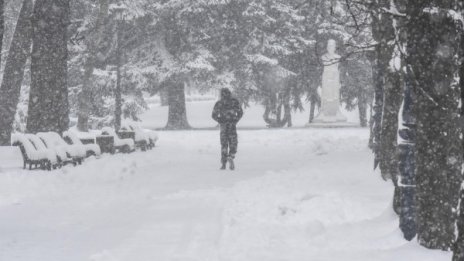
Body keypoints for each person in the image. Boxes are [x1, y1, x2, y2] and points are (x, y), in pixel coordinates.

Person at [212, 88, 243, 170]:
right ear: (229, 93)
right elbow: (240, 113)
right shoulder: (234, 102)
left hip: (223, 127)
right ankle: (231, 156)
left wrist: (220, 120)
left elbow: (213, 115)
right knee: (234, 144)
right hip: (232, 126)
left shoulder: (219, 103)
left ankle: (223, 164)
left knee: (224, 145)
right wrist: (235, 120)